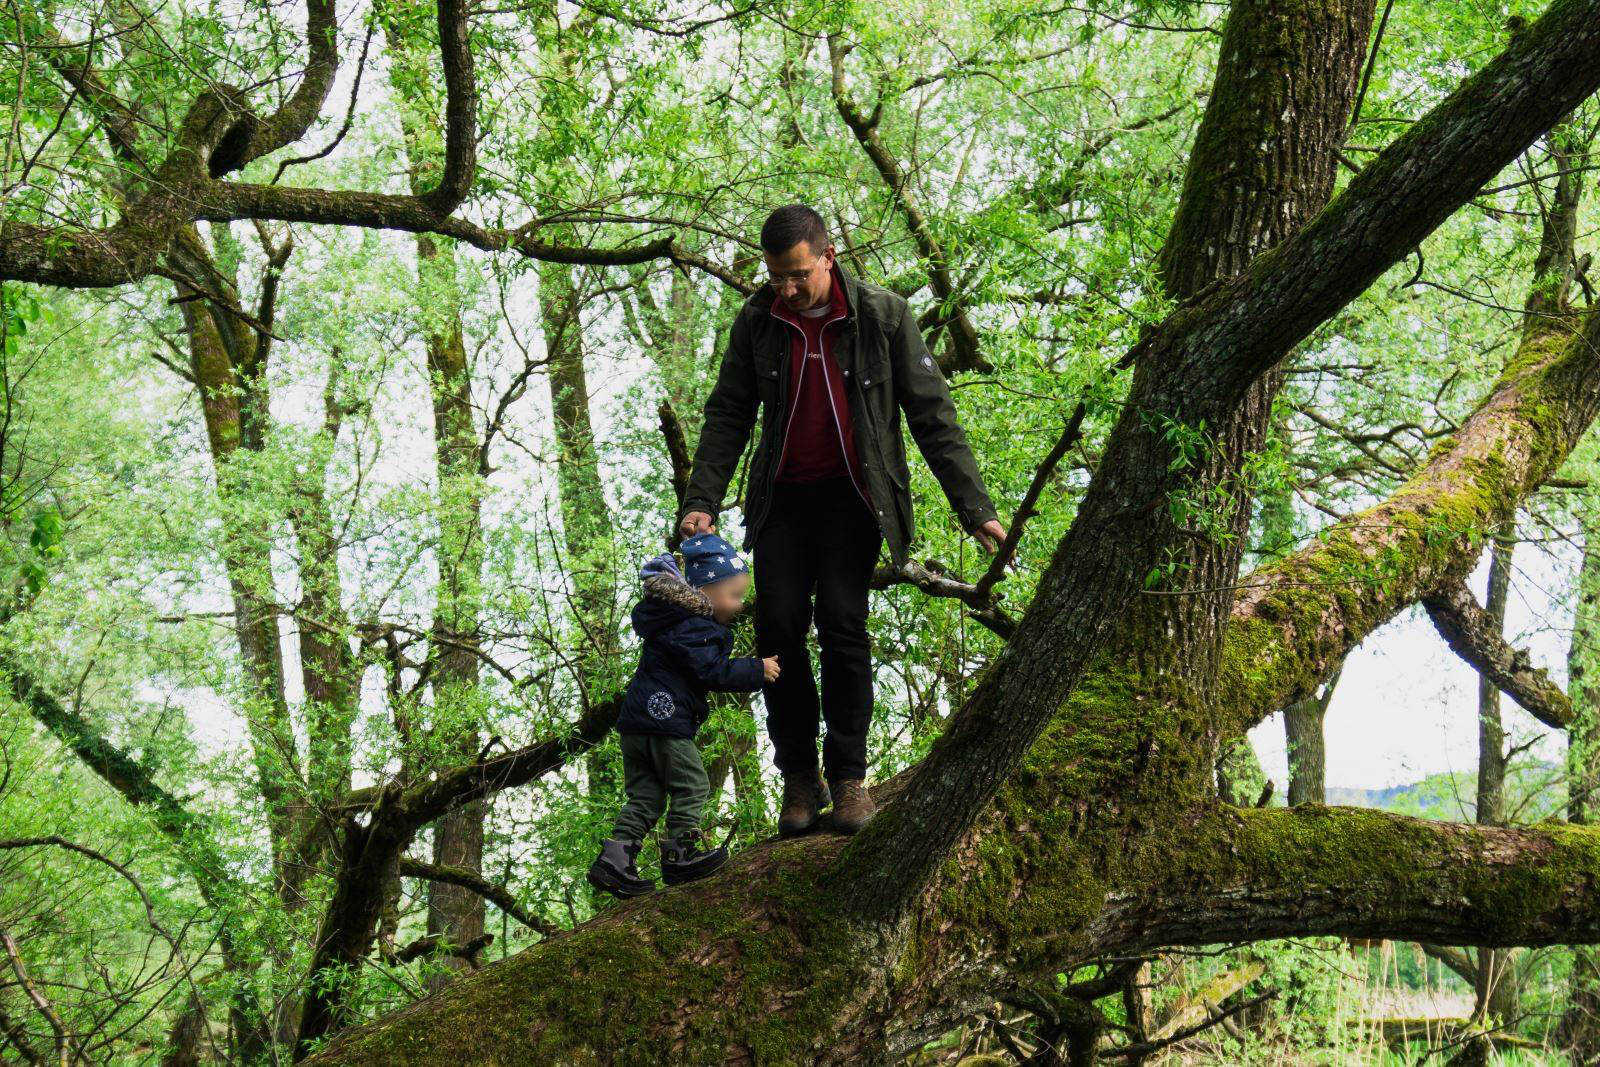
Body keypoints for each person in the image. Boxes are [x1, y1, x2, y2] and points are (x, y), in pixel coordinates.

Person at [678, 204, 1005, 838]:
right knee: (775, 627)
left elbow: (933, 417)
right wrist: (702, 499)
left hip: (857, 497)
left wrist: (977, 510)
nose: (789, 289)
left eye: (799, 274)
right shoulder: (758, 323)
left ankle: (850, 778)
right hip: (782, 500)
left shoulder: (883, 318)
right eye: (778, 277)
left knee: (843, 623)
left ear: (829, 257)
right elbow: (728, 415)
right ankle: (800, 777)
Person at [586, 534, 781, 898]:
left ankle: (614, 861)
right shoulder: (697, 626)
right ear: (705, 592)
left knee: (645, 796)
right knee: (692, 784)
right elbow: (712, 671)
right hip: (664, 722)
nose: (739, 605)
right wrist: (755, 669)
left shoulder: (671, 621)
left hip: (636, 725)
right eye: (734, 595)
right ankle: (679, 855)